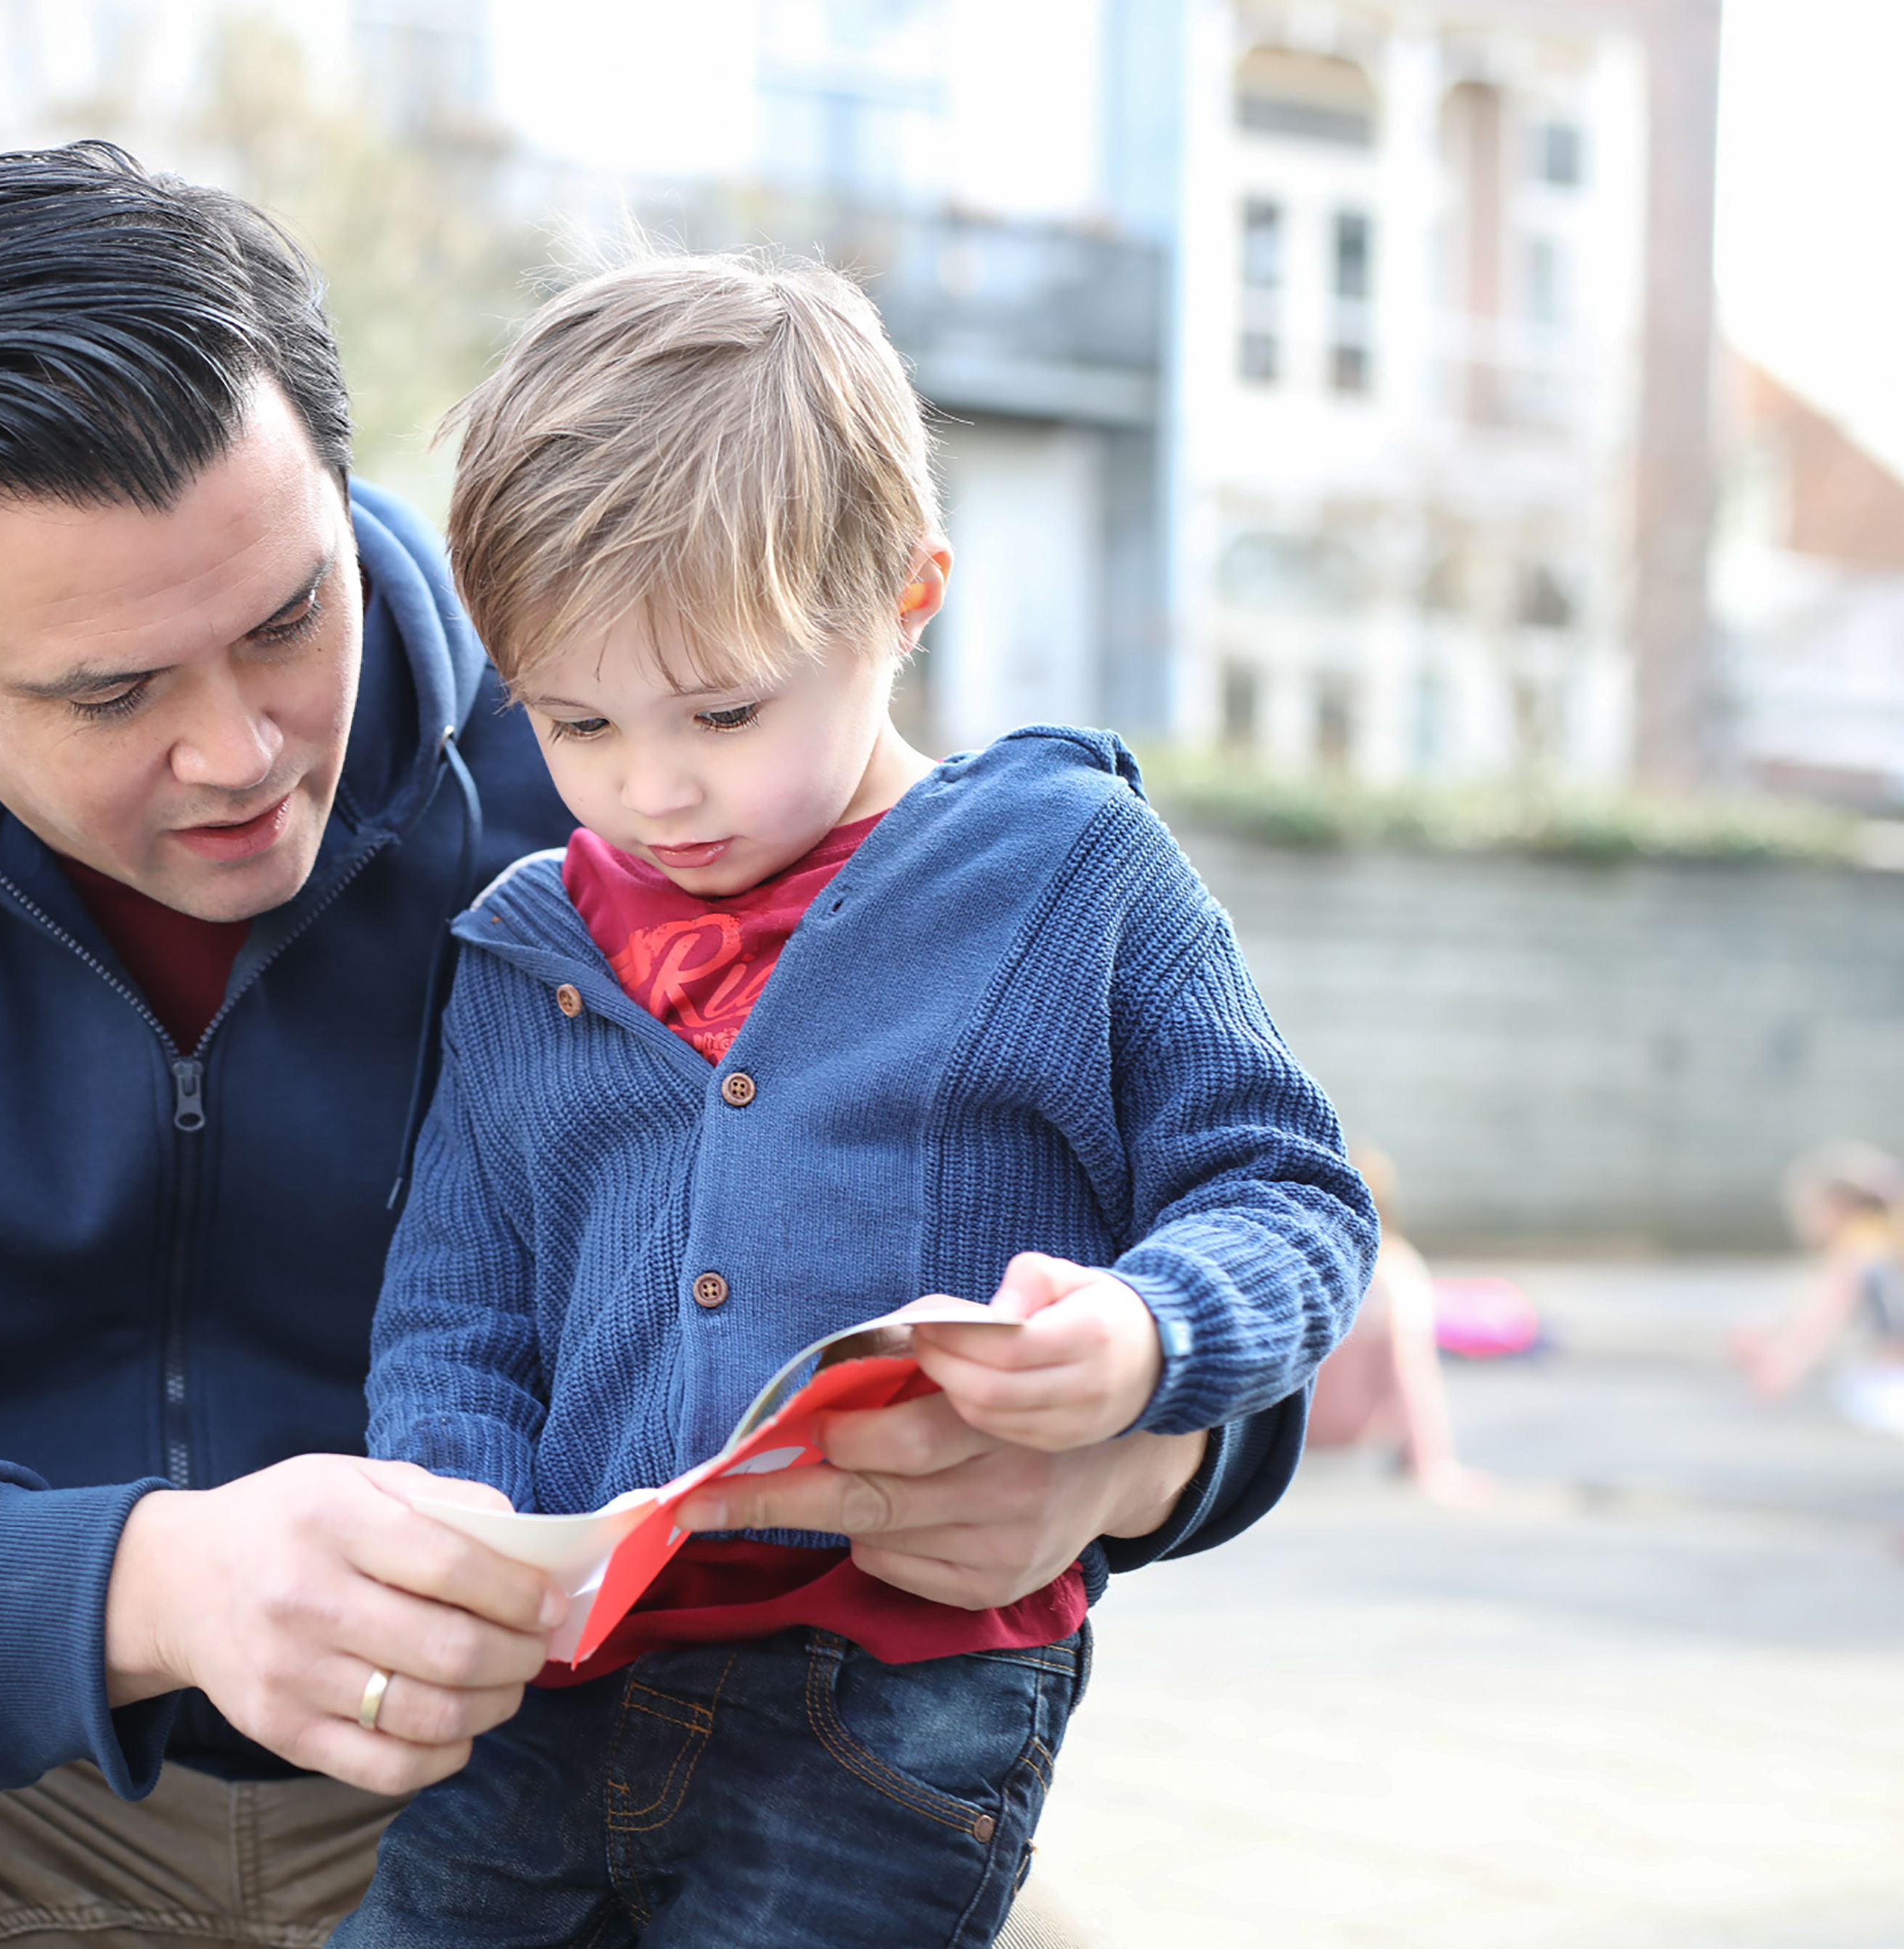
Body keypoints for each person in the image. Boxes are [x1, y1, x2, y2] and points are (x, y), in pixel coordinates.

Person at [0, 147, 1323, 1948]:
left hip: (569, 1747)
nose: (240, 751)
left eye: (284, 619)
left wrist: (1134, 1465)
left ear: (339, 482)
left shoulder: (605, 744)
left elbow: (1169, 1190)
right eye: (111, 691)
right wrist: (146, 1585)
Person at [341, 253, 1375, 1948]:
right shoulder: (525, 948)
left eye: (724, 710)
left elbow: (1284, 1192)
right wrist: (458, 1513)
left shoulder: (1063, 874)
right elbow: (457, 1307)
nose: (651, 788)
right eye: (575, 721)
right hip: (552, 1692)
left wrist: (1142, 1338)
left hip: (893, 1698)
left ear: (905, 598)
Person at [1305, 1147, 1491, 1505]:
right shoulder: (1392, 1269)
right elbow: (1410, 1372)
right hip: (1355, 1431)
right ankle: (1421, 1460)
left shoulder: (1300, 1257)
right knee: (1403, 1340)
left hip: (1293, 1431)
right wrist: (1432, 1465)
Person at [1732, 1140, 1904, 1435]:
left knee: (1850, 1393)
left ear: (1838, 1206)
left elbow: (1824, 1312)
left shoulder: (1861, 1244)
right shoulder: (1883, 1239)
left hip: (1891, 1388)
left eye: (1811, 1209)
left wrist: (1782, 1364)